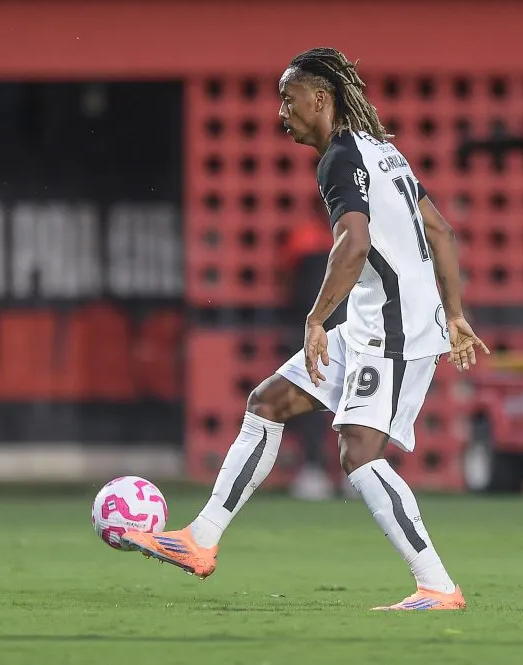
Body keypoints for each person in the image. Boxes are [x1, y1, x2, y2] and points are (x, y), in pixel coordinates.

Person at [122, 48, 489, 611]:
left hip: (393, 326)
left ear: (320, 98)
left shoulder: (341, 158)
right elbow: (439, 230)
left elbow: (354, 243)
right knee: (267, 403)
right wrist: (456, 313)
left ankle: (437, 585)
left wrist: (317, 318)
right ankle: (200, 539)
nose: (281, 112)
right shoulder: (382, 150)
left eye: (288, 99)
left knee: (359, 454)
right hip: (378, 318)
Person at [284, 194, 348, 501]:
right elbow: (297, 289)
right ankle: (312, 467)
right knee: (309, 398)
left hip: (351, 333)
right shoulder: (304, 239)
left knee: (354, 400)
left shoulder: (357, 237)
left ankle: (354, 470)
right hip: (311, 332)